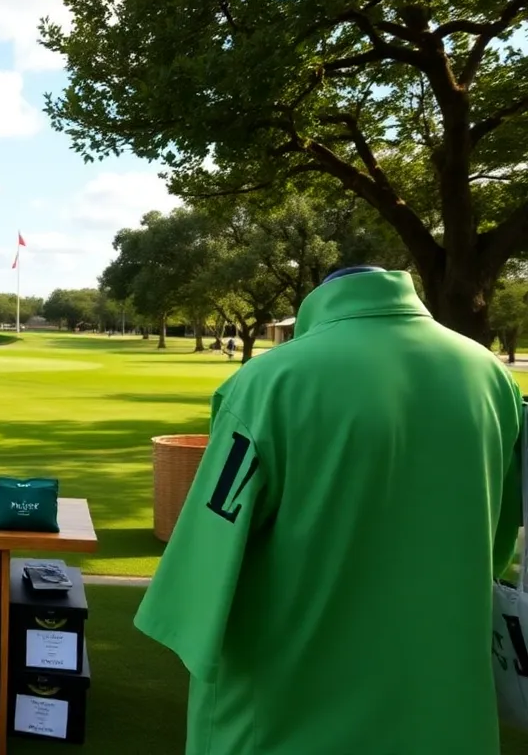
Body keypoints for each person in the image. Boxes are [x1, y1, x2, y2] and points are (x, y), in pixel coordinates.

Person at [133, 266, 524, 754]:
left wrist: (184, 619)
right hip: (445, 710)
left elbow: (205, 563)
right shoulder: (491, 375)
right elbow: (496, 535)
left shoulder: (269, 381)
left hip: (284, 711)